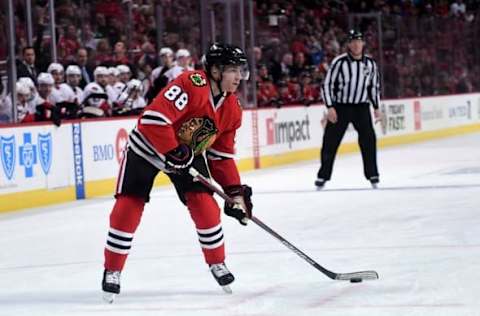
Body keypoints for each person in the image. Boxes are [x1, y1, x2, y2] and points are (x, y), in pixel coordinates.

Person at [101, 43, 253, 302]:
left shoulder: (232, 108)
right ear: (216, 70)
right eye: (233, 70)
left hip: (186, 156)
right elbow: (152, 120)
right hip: (147, 148)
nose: (239, 76)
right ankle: (112, 270)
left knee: (205, 205)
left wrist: (235, 192)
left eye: (241, 71)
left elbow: (221, 156)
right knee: (129, 205)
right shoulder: (192, 83)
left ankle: (217, 262)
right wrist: (172, 149)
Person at [315, 29, 381, 189]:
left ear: (363, 43)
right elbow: (327, 85)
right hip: (341, 107)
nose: (356, 45)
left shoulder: (370, 64)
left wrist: (377, 107)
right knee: (330, 141)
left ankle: (373, 174)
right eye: (353, 42)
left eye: (359, 41)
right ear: (349, 45)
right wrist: (330, 107)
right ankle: (323, 176)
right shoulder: (340, 62)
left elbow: (374, 87)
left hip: (362, 107)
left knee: (369, 140)